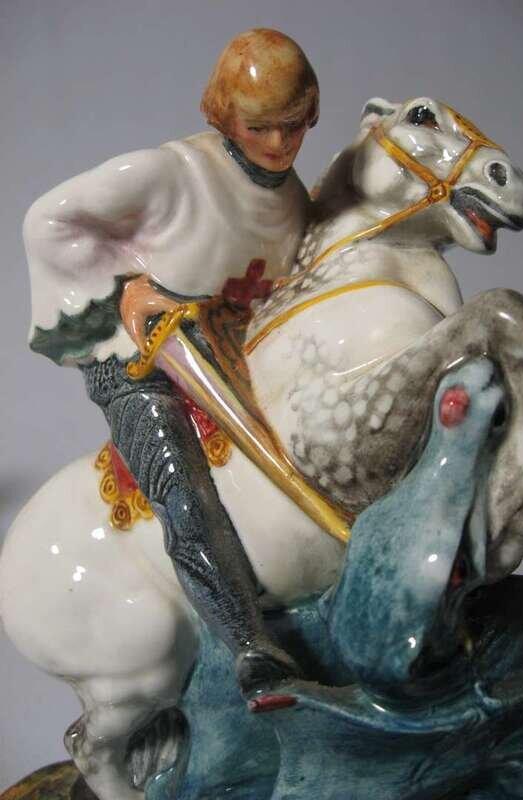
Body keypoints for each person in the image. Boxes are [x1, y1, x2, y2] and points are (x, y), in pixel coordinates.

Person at [23, 28, 319, 695]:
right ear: (224, 116)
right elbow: (48, 222)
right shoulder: (168, 174)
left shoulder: (295, 201)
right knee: (182, 488)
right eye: (260, 127)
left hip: (231, 360)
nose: (278, 143)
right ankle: (250, 648)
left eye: (294, 124)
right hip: (141, 365)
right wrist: (123, 294)